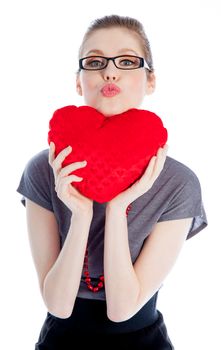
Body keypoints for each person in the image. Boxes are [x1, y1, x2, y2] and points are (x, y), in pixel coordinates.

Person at [17, 14, 208, 350]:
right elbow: (58, 304)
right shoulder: (44, 170)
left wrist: (118, 207)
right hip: (61, 341)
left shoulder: (178, 183)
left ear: (150, 81)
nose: (110, 70)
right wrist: (81, 214)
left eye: (126, 60)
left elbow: (122, 308)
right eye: (94, 61)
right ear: (79, 83)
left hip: (144, 341)